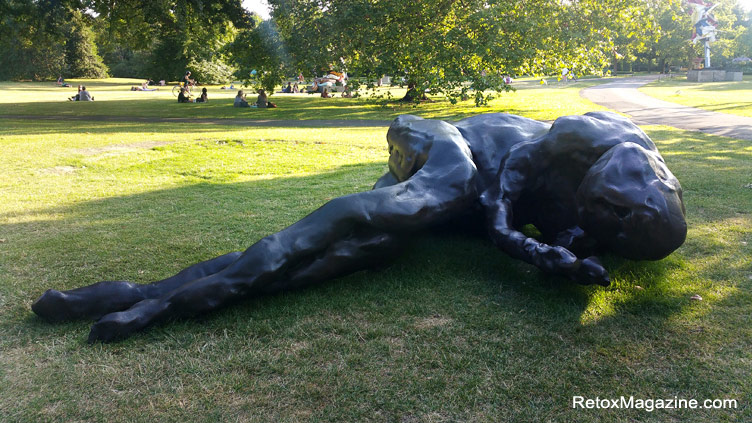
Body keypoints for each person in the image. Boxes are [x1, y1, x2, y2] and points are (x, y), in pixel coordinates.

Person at [31, 112, 687, 343]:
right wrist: (514, 238)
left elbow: (554, 238)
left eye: (609, 227)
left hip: (456, 202)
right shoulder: (601, 139)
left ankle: (132, 293)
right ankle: (163, 308)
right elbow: (515, 169)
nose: (596, 220)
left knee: (366, 249)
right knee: (407, 209)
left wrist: (554, 259)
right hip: (444, 144)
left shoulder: (608, 224)